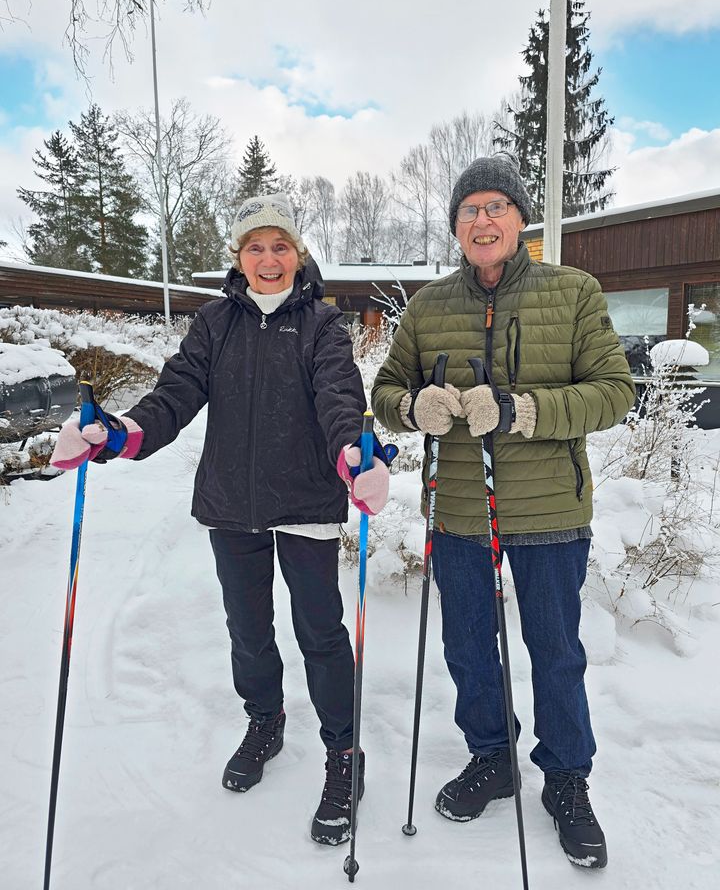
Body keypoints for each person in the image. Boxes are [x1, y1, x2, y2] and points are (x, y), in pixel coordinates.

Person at [51, 193, 393, 847]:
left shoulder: (322, 324)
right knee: (247, 628)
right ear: (238, 256)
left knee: (320, 633)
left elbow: (338, 394)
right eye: (255, 246)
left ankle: (344, 755)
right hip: (231, 504)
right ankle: (265, 720)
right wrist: (120, 434)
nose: (268, 259)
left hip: (305, 502)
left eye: (281, 246)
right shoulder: (214, 323)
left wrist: (353, 453)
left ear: (299, 254)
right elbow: (175, 394)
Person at [371, 153, 634, 870]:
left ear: (521, 219)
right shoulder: (427, 306)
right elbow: (385, 389)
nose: (482, 221)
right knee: (466, 649)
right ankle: (492, 757)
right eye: (468, 211)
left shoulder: (573, 292)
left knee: (555, 652)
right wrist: (409, 406)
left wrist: (523, 411)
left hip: (550, 509)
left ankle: (567, 779)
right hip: (458, 509)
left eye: (495, 207)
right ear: (455, 227)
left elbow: (615, 391)